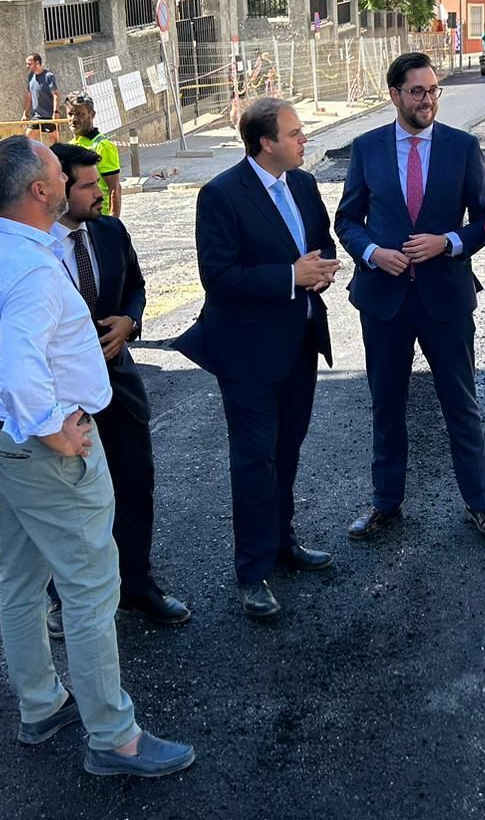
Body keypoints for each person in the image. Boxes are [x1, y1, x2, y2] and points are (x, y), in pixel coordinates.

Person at [0, 136, 193, 778]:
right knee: (90, 589)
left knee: (23, 576)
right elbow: (23, 363)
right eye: (61, 171)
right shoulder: (31, 268)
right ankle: (115, 738)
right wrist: (55, 428)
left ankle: (41, 705)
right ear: (39, 190)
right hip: (41, 447)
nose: (68, 177)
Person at [173, 98, 341, 620]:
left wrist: (321, 268)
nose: (303, 140)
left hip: (299, 341)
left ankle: (281, 542)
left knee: (287, 449)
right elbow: (218, 276)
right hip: (246, 351)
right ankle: (252, 572)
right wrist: (291, 276)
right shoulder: (221, 195)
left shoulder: (305, 185)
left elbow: (320, 243)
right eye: (294, 133)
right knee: (253, 460)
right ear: (266, 142)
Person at [334, 53, 485, 545]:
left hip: (445, 297)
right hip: (384, 298)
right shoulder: (366, 148)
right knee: (387, 404)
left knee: (461, 402)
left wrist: (447, 243)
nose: (427, 99)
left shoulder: (462, 147)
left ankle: (481, 503)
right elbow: (346, 219)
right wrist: (371, 253)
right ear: (395, 95)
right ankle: (385, 503)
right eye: (417, 91)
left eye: (433, 91)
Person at [47, 143, 189, 627]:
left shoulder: (109, 231)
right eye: (87, 186)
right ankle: (67, 598)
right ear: (54, 188)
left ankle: (137, 584)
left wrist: (130, 319)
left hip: (119, 387)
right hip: (61, 399)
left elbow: (137, 285)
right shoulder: (31, 248)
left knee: (133, 484)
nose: (101, 194)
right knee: (69, 501)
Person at [63, 91, 122, 217]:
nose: (74, 119)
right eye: (70, 114)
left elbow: (115, 188)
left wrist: (113, 222)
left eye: (79, 114)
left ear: (92, 114)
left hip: (99, 217)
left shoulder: (103, 146)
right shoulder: (70, 145)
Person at [22, 52, 59, 124]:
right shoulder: (31, 77)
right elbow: (29, 96)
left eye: (29, 64)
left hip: (50, 116)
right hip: (36, 116)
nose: (27, 66)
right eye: (27, 64)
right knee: (29, 134)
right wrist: (25, 114)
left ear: (37, 63)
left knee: (54, 135)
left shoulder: (48, 76)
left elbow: (56, 94)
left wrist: (56, 112)